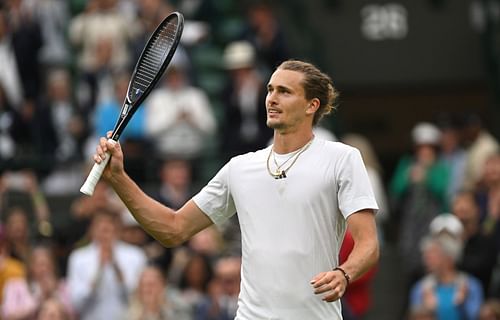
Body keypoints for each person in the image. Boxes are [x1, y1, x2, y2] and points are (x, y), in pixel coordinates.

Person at [91, 59, 379, 319]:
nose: (272, 99)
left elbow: (368, 244)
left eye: (285, 92)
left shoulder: (343, 158)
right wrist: (118, 178)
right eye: (270, 90)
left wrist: (344, 273)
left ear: (311, 105)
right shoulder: (239, 168)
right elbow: (173, 228)